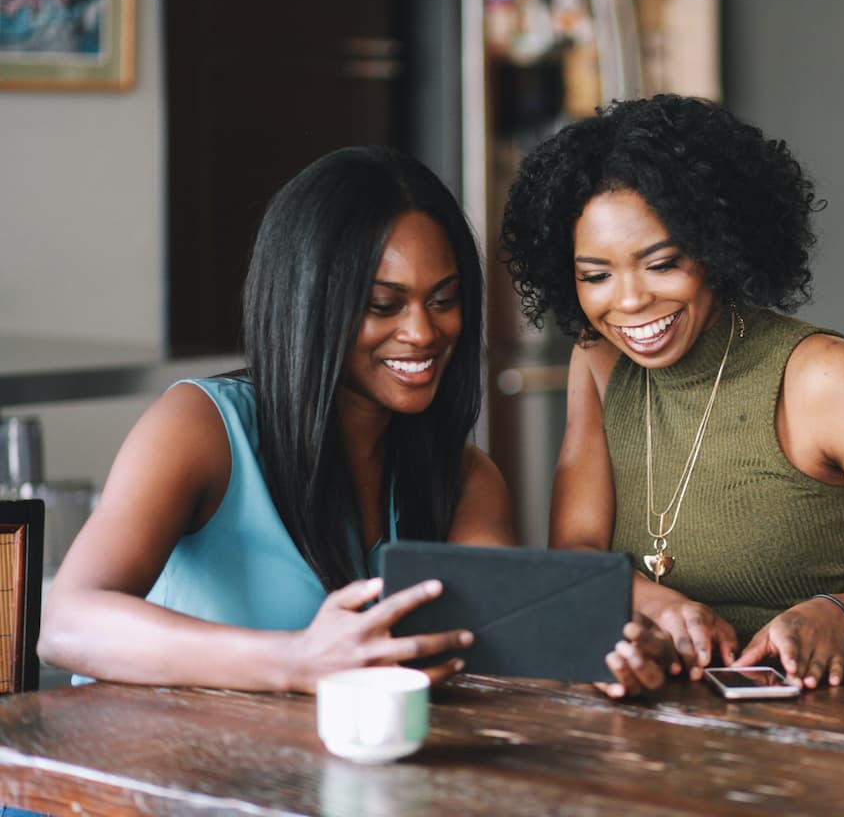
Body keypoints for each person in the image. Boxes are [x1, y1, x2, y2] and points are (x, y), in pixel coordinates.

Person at [500, 94, 844, 693]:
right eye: (596, 276)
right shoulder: (597, 363)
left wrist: (839, 616)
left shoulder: (824, 379)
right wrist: (656, 608)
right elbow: (576, 556)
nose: (629, 300)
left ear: (718, 250)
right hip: (680, 731)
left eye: (661, 264)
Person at [39, 145, 522, 693]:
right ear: (310, 302)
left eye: (443, 299)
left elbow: (505, 651)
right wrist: (296, 661)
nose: (423, 332)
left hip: (329, 773)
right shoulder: (200, 427)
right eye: (384, 305)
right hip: (160, 771)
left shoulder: (464, 479)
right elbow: (68, 624)